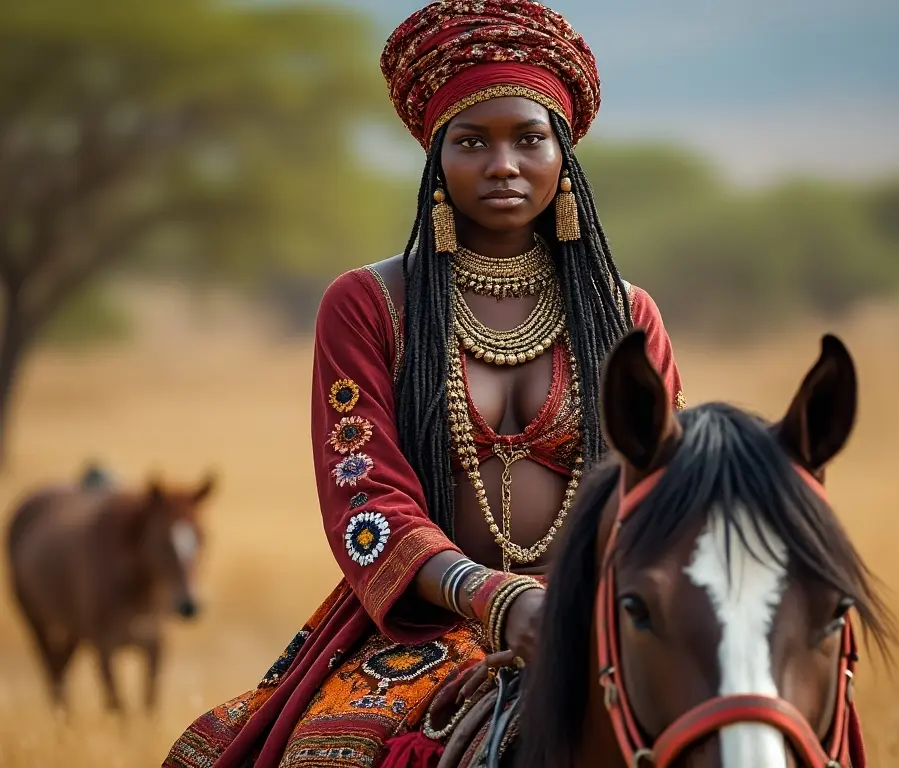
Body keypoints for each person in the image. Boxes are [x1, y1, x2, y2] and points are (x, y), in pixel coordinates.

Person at [163, 2, 684, 766]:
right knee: (317, 755)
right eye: (473, 142)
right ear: (437, 158)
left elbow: (671, 488)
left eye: (530, 138)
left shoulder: (627, 314)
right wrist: (495, 598)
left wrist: (579, 605)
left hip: (602, 612)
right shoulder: (369, 304)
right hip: (427, 617)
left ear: (563, 156)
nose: (503, 164)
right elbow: (362, 496)